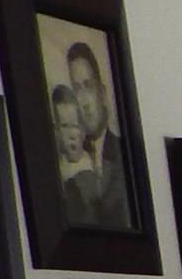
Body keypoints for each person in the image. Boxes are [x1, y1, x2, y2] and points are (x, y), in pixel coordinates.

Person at [62, 42, 130, 229]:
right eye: (76, 89)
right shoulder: (69, 166)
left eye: (88, 86)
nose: (84, 101)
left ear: (103, 93)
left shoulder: (125, 155)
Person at [50, 85, 111, 232]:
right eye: (64, 126)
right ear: (56, 131)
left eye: (75, 126)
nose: (71, 134)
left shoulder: (90, 171)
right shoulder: (57, 168)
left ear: (83, 132)